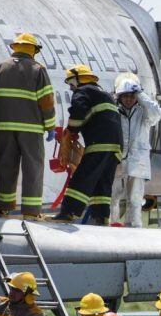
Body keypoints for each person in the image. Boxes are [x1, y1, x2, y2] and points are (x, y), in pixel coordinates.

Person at [0, 33, 56, 219]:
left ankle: (4, 208)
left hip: (4, 127)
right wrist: (50, 126)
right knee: (33, 168)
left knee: (6, 166)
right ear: (33, 51)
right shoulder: (38, 69)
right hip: (31, 129)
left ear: (15, 48)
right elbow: (46, 101)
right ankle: (31, 211)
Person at [52, 65, 123, 226]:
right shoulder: (104, 94)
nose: (71, 88)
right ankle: (101, 217)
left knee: (82, 178)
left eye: (71, 84)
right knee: (102, 184)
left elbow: (77, 112)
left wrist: (70, 131)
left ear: (78, 79)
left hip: (99, 145)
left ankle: (68, 212)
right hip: (116, 148)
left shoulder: (83, 92)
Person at [110, 74, 161, 228]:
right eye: (125, 95)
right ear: (119, 97)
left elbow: (157, 113)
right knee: (113, 196)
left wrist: (140, 94)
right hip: (117, 160)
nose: (128, 99)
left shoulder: (144, 114)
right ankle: (112, 224)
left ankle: (135, 226)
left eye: (132, 96)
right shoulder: (113, 111)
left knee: (135, 198)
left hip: (137, 162)